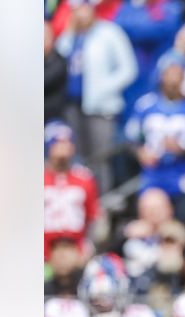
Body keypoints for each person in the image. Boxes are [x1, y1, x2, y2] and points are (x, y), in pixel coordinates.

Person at [56, 0, 139, 193]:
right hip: (72, 104)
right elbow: (58, 58)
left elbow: (128, 69)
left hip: (101, 107)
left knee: (100, 158)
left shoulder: (110, 32)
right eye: (76, 10)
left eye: (84, 9)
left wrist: (104, 88)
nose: (81, 14)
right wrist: (69, 32)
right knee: (77, 159)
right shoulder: (71, 35)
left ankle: (102, 203)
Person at [125, 59, 185, 221]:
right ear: (161, 77)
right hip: (154, 175)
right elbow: (130, 137)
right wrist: (140, 152)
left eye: (177, 75)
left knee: (184, 221)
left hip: (184, 175)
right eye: (169, 74)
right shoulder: (146, 105)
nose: (173, 81)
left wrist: (183, 150)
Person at [44, 123, 101, 261]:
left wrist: (89, 245)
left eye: (68, 142)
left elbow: (93, 216)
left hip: (76, 251)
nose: (64, 147)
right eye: (59, 142)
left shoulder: (85, 178)